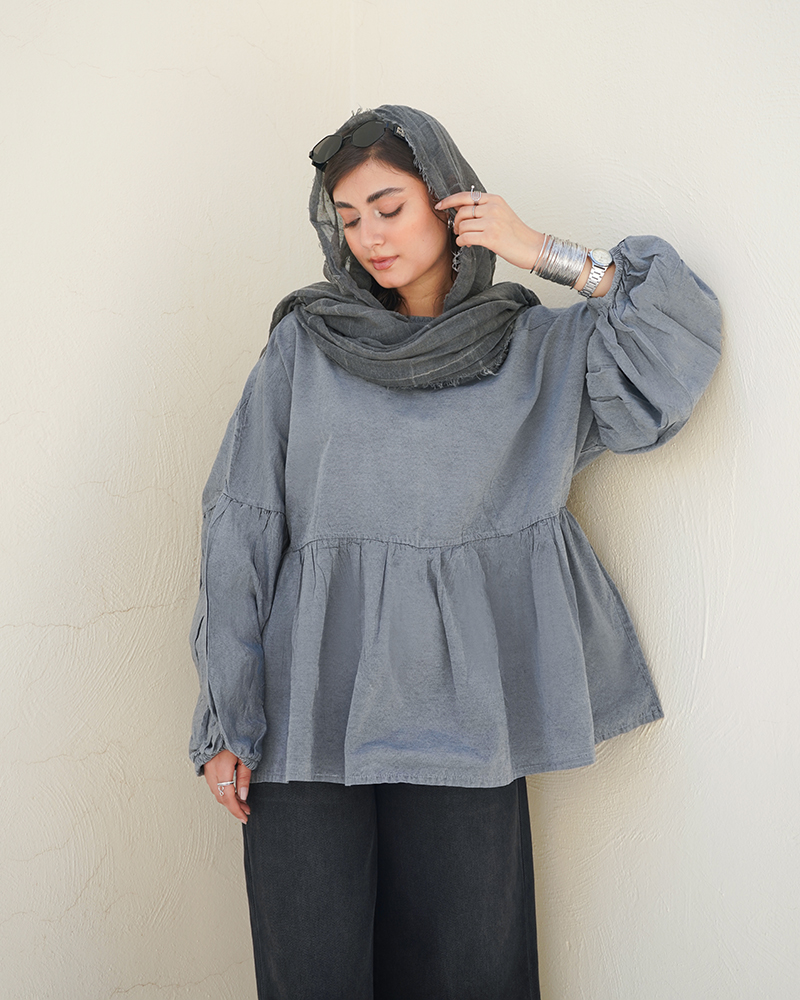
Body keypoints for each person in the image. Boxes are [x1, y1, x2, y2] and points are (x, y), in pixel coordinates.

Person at [189, 105, 721, 1000]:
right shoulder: (305, 347)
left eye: (390, 208)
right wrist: (225, 719)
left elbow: (679, 330)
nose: (369, 237)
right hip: (307, 716)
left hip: (468, 719)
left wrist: (536, 248)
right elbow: (240, 522)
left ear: (451, 203)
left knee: (473, 974)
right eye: (348, 218)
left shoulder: (537, 352)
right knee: (310, 973)